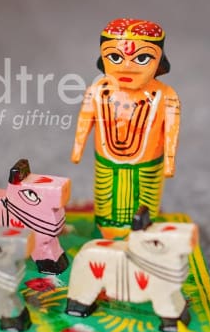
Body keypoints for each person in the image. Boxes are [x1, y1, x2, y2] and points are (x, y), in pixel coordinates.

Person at [71, 18, 180, 236]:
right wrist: (77, 148)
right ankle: (104, 234)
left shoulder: (166, 96)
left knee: (144, 206)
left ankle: (142, 239)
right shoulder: (97, 90)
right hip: (106, 162)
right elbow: (85, 119)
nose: (127, 67)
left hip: (147, 165)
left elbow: (171, 131)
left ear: (159, 59)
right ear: (103, 57)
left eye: (141, 58)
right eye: (115, 57)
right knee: (106, 201)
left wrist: (169, 161)